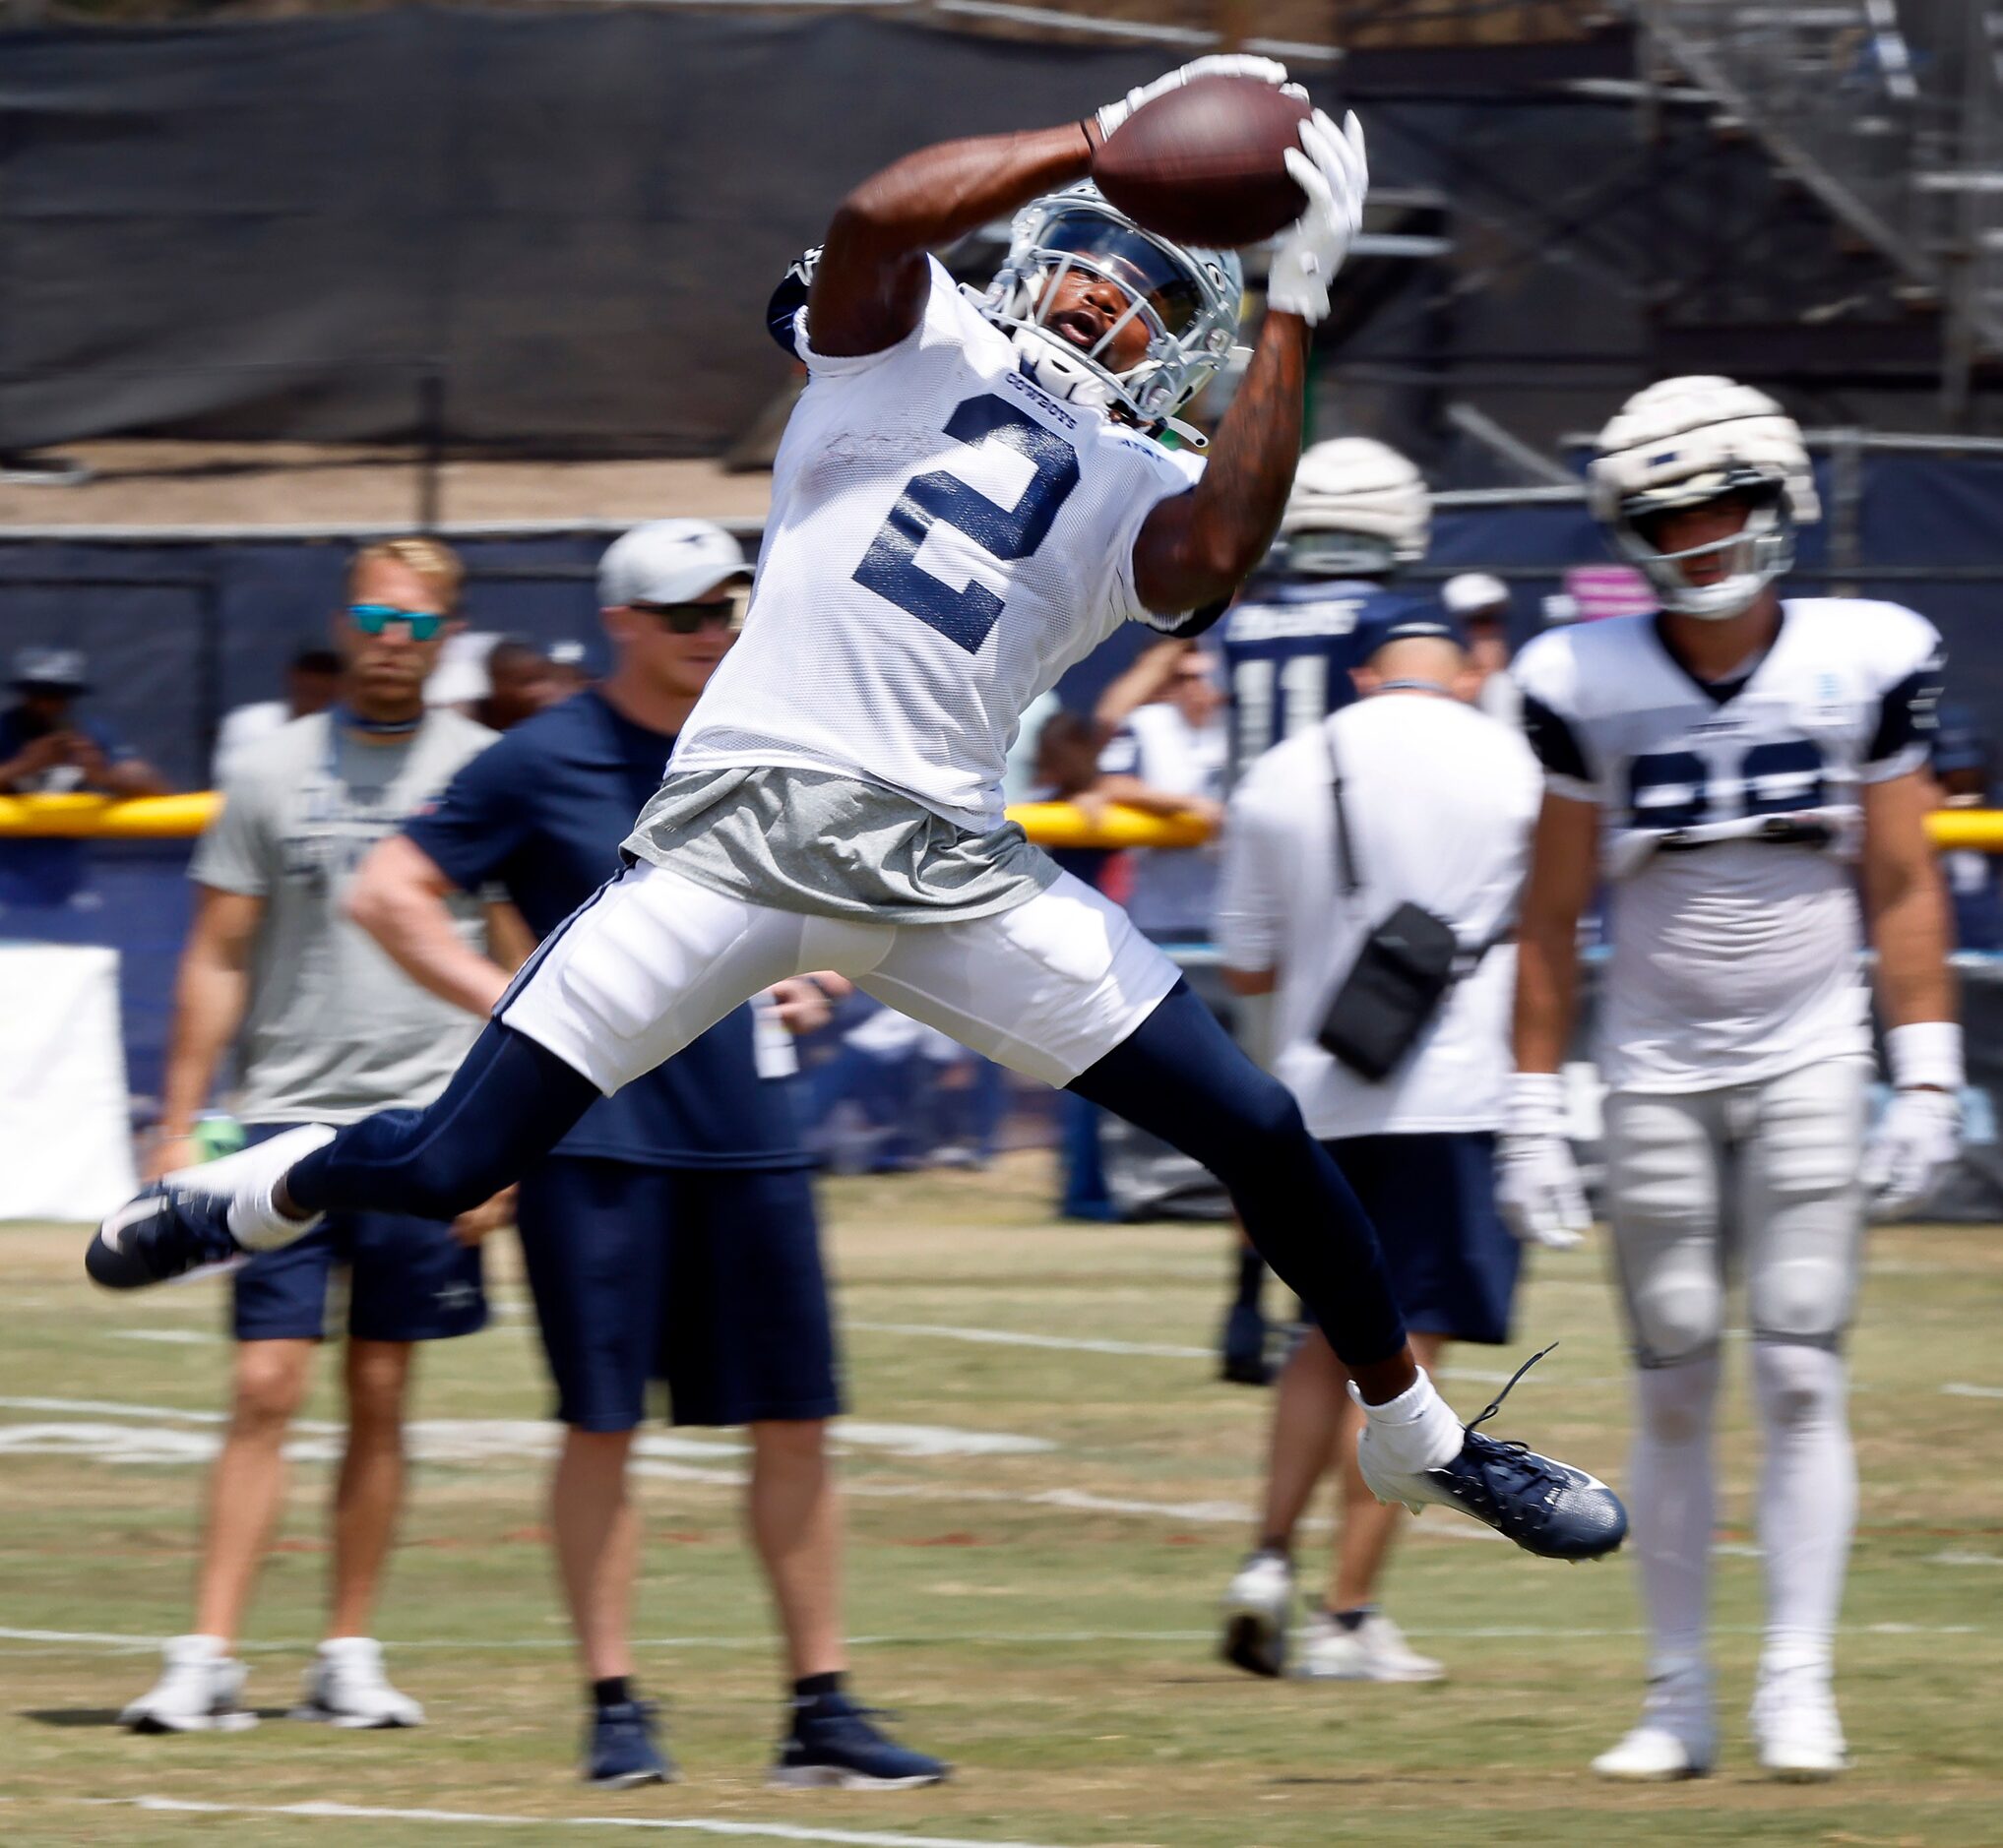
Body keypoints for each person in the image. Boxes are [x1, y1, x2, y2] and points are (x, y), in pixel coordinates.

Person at [92, 58, 1626, 1582]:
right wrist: (1106, 138)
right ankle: (259, 1189)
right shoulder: (900, 336)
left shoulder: (1150, 470)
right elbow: (876, 216)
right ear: (1036, 254)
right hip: (730, 839)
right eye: (1091, 264)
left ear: (1176, 359)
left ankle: (1416, 1438)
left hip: (945, 867)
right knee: (441, 1164)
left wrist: (1292, 297)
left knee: (1260, 1129)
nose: (1101, 302)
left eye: (1146, 299)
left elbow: (1220, 544)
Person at [344, 518, 941, 1788]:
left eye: (726, 608)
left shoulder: (770, 742)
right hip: (598, 1142)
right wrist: (521, 1006)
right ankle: (615, 1706)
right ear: (620, 621)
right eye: (683, 614)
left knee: (795, 1421)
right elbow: (385, 892)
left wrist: (819, 962)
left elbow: (833, 894)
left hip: (751, 1136)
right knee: (602, 1426)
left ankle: (818, 1707)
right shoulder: (538, 757)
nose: (711, 633)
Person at [1505, 377, 1960, 1780]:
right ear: (1628, 530)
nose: (1700, 536)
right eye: (1668, 515)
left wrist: (1927, 1063)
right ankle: (1675, 1692)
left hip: (1810, 1046)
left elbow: (1896, 874)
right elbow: (1549, 906)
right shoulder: (1579, 679)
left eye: (1722, 505)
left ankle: (1793, 1681)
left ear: (1775, 504)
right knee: (1672, 1378)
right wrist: (1533, 1096)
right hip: (1649, 1060)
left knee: (1803, 1365)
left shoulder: (1864, 654)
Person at [119, 537, 500, 1734]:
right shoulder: (271, 769)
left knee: (382, 1388)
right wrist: (179, 1125)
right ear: (344, 624)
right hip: (283, 1124)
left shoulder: (491, 774)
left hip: (432, 1121)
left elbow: (536, 966)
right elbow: (217, 955)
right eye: (378, 619)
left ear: (449, 636)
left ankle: (348, 1651)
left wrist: (511, 1140)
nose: (396, 642)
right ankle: (207, 1655)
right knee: (265, 1384)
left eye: (421, 626)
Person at [1215, 606, 1541, 1682]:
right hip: (1453, 1094)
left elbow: (1249, 967)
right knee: (1415, 1360)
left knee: (1325, 1337)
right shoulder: (1510, 766)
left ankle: (1265, 1560)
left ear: (1362, 676)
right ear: (1460, 673)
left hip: (1313, 1097)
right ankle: (1347, 1617)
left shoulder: (1280, 772)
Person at [1210, 438, 1436, 1376]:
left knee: (1266, 1108)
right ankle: (1346, 1295)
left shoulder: (1244, 621)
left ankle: (1246, 1296)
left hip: (1258, 866)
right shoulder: (1400, 620)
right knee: (1353, 1104)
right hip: (1357, 874)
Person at [0, 647, 168, 911]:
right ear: (24, 693)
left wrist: (104, 775)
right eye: (38, 693)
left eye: (58, 695)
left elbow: (158, 789)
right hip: (6, 882)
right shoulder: (4, 731)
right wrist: (23, 766)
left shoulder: (89, 734)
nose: (47, 704)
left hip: (72, 884)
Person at [1093, 640, 1228, 942]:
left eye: (1204, 676)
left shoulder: (1244, 723)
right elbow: (1111, 784)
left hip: (1229, 912)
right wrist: (1189, 805)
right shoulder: (1146, 723)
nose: (1195, 686)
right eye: (1183, 678)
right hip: (1159, 912)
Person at [211, 645, 344, 786]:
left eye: (320, 691)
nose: (313, 693)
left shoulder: (349, 733)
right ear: (293, 678)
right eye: (308, 689)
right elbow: (230, 781)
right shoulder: (248, 725)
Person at [1440, 572, 1520, 727]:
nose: (1488, 631)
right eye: (1475, 620)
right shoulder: (1436, 680)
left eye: (1494, 619)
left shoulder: (1505, 684)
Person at [470, 637, 567, 733]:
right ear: (496, 684)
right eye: (527, 682)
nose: (540, 690)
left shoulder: (561, 717)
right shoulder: (468, 720)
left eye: (543, 679)